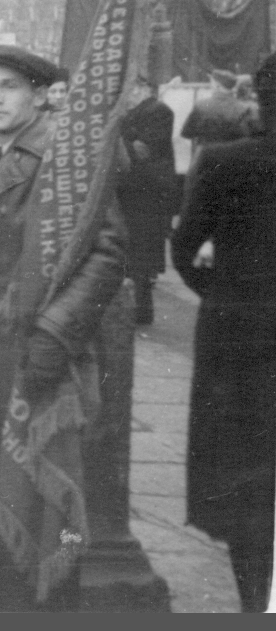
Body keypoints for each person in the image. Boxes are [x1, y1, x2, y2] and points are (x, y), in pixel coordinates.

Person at [0, 43, 125, 611]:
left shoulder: (65, 159)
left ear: (41, 96)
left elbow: (107, 254)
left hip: (35, 354)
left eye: (9, 87)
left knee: (44, 495)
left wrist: (53, 335)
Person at [171, 51, 276, 613]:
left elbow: (184, 249)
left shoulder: (224, 162)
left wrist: (224, 294)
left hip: (237, 337)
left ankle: (254, 601)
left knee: (246, 479)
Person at [118, 75, 177, 325]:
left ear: (143, 88)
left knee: (140, 254)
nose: (127, 94)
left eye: (131, 88)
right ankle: (137, 310)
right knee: (134, 253)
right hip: (135, 191)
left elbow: (143, 151)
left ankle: (140, 312)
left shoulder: (158, 110)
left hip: (147, 193)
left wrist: (121, 141)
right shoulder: (137, 111)